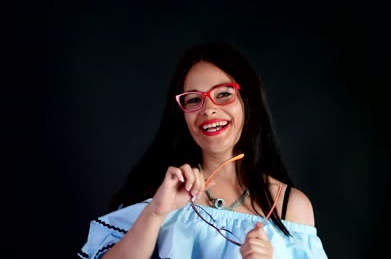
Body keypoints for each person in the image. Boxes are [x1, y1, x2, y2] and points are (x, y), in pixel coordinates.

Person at [78, 43, 328, 258]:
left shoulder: (289, 206)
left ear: (248, 102)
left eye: (223, 94)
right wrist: (155, 213)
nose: (208, 109)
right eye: (194, 99)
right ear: (182, 114)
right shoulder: (159, 191)